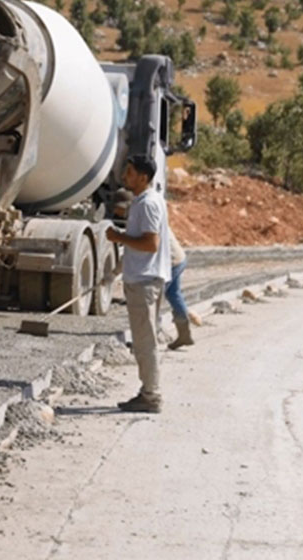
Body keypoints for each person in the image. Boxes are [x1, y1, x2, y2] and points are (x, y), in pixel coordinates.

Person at [105, 155, 171, 413]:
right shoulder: (147, 201)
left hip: (145, 282)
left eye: (130, 172)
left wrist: (117, 237)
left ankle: (150, 396)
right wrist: (117, 270)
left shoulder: (147, 205)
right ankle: (149, 392)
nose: (125, 177)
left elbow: (150, 244)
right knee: (146, 339)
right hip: (146, 279)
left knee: (145, 341)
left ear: (143, 177)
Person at [164, 230, 200, 350]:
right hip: (178, 258)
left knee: (153, 299)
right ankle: (184, 335)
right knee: (173, 294)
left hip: (172, 261)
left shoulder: (144, 217)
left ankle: (147, 339)